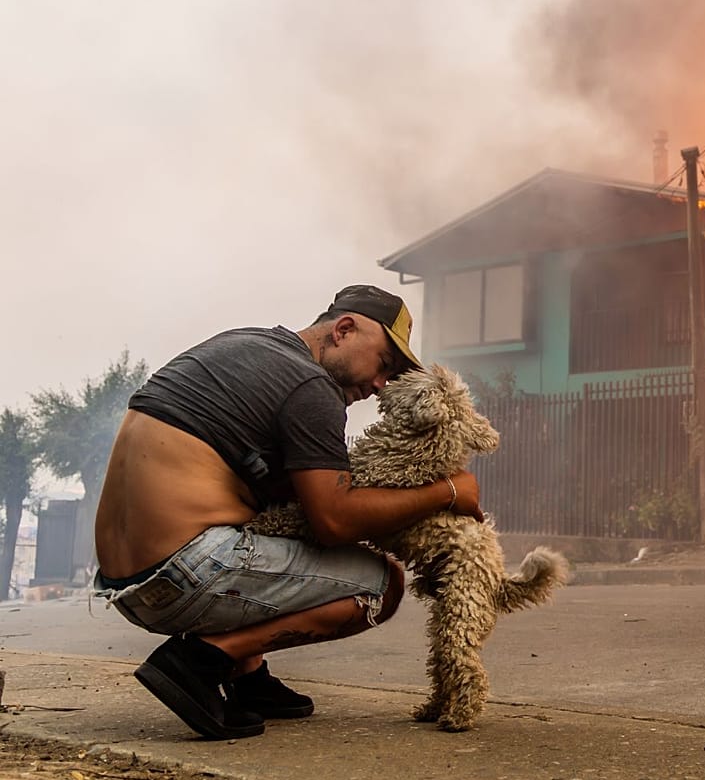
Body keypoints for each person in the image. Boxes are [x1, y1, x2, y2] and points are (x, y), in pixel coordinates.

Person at [93, 284, 484, 740]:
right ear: (343, 330)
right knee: (382, 585)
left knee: (268, 516)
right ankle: (201, 661)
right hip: (186, 571)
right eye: (384, 364)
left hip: (126, 586)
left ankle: (248, 678)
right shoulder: (311, 387)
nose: (381, 384)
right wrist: (449, 491)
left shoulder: (244, 345)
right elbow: (333, 521)